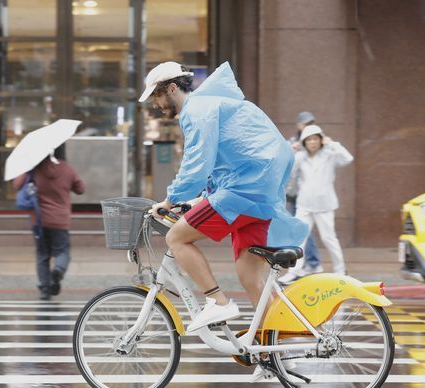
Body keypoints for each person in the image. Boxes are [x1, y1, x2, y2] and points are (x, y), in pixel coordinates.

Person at [139, 61, 308, 336]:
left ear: (171, 89)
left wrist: (169, 201)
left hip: (247, 186)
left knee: (177, 238)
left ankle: (217, 301)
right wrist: (200, 199)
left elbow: (197, 164)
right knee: (249, 276)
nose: (155, 104)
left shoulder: (197, 111)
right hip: (259, 189)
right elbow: (222, 163)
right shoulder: (213, 105)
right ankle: (275, 345)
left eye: (156, 96)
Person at [279, 125, 353, 283]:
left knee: (329, 239)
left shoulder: (330, 154)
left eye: (315, 139)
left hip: (325, 205)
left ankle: (340, 271)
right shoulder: (300, 157)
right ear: (304, 142)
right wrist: (291, 151)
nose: (312, 142)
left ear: (321, 140)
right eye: (309, 139)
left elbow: (348, 159)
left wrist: (333, 143)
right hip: (304, 204)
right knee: (299, 239)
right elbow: (288, 171)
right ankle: (295, 271)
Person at [13, 152, 85, 300]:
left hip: (39, 220)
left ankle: (45, 289)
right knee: (62, 251)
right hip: (60, 220)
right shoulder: (67, 169)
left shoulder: (33, 169)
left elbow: (16, 185)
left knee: (42, 255)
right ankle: (58, 270)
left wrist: (28, 168)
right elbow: (81, 189)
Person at [285, 111, 323, 277]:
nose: (308, 126)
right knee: (300, 229)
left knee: (304, 230)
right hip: (295, 193)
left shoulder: (317, 142)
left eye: (311, 123)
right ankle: (309, 263)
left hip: (309, 194)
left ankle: (312, 263)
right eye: (305, 123)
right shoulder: (293, 142)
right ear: (299, 125)